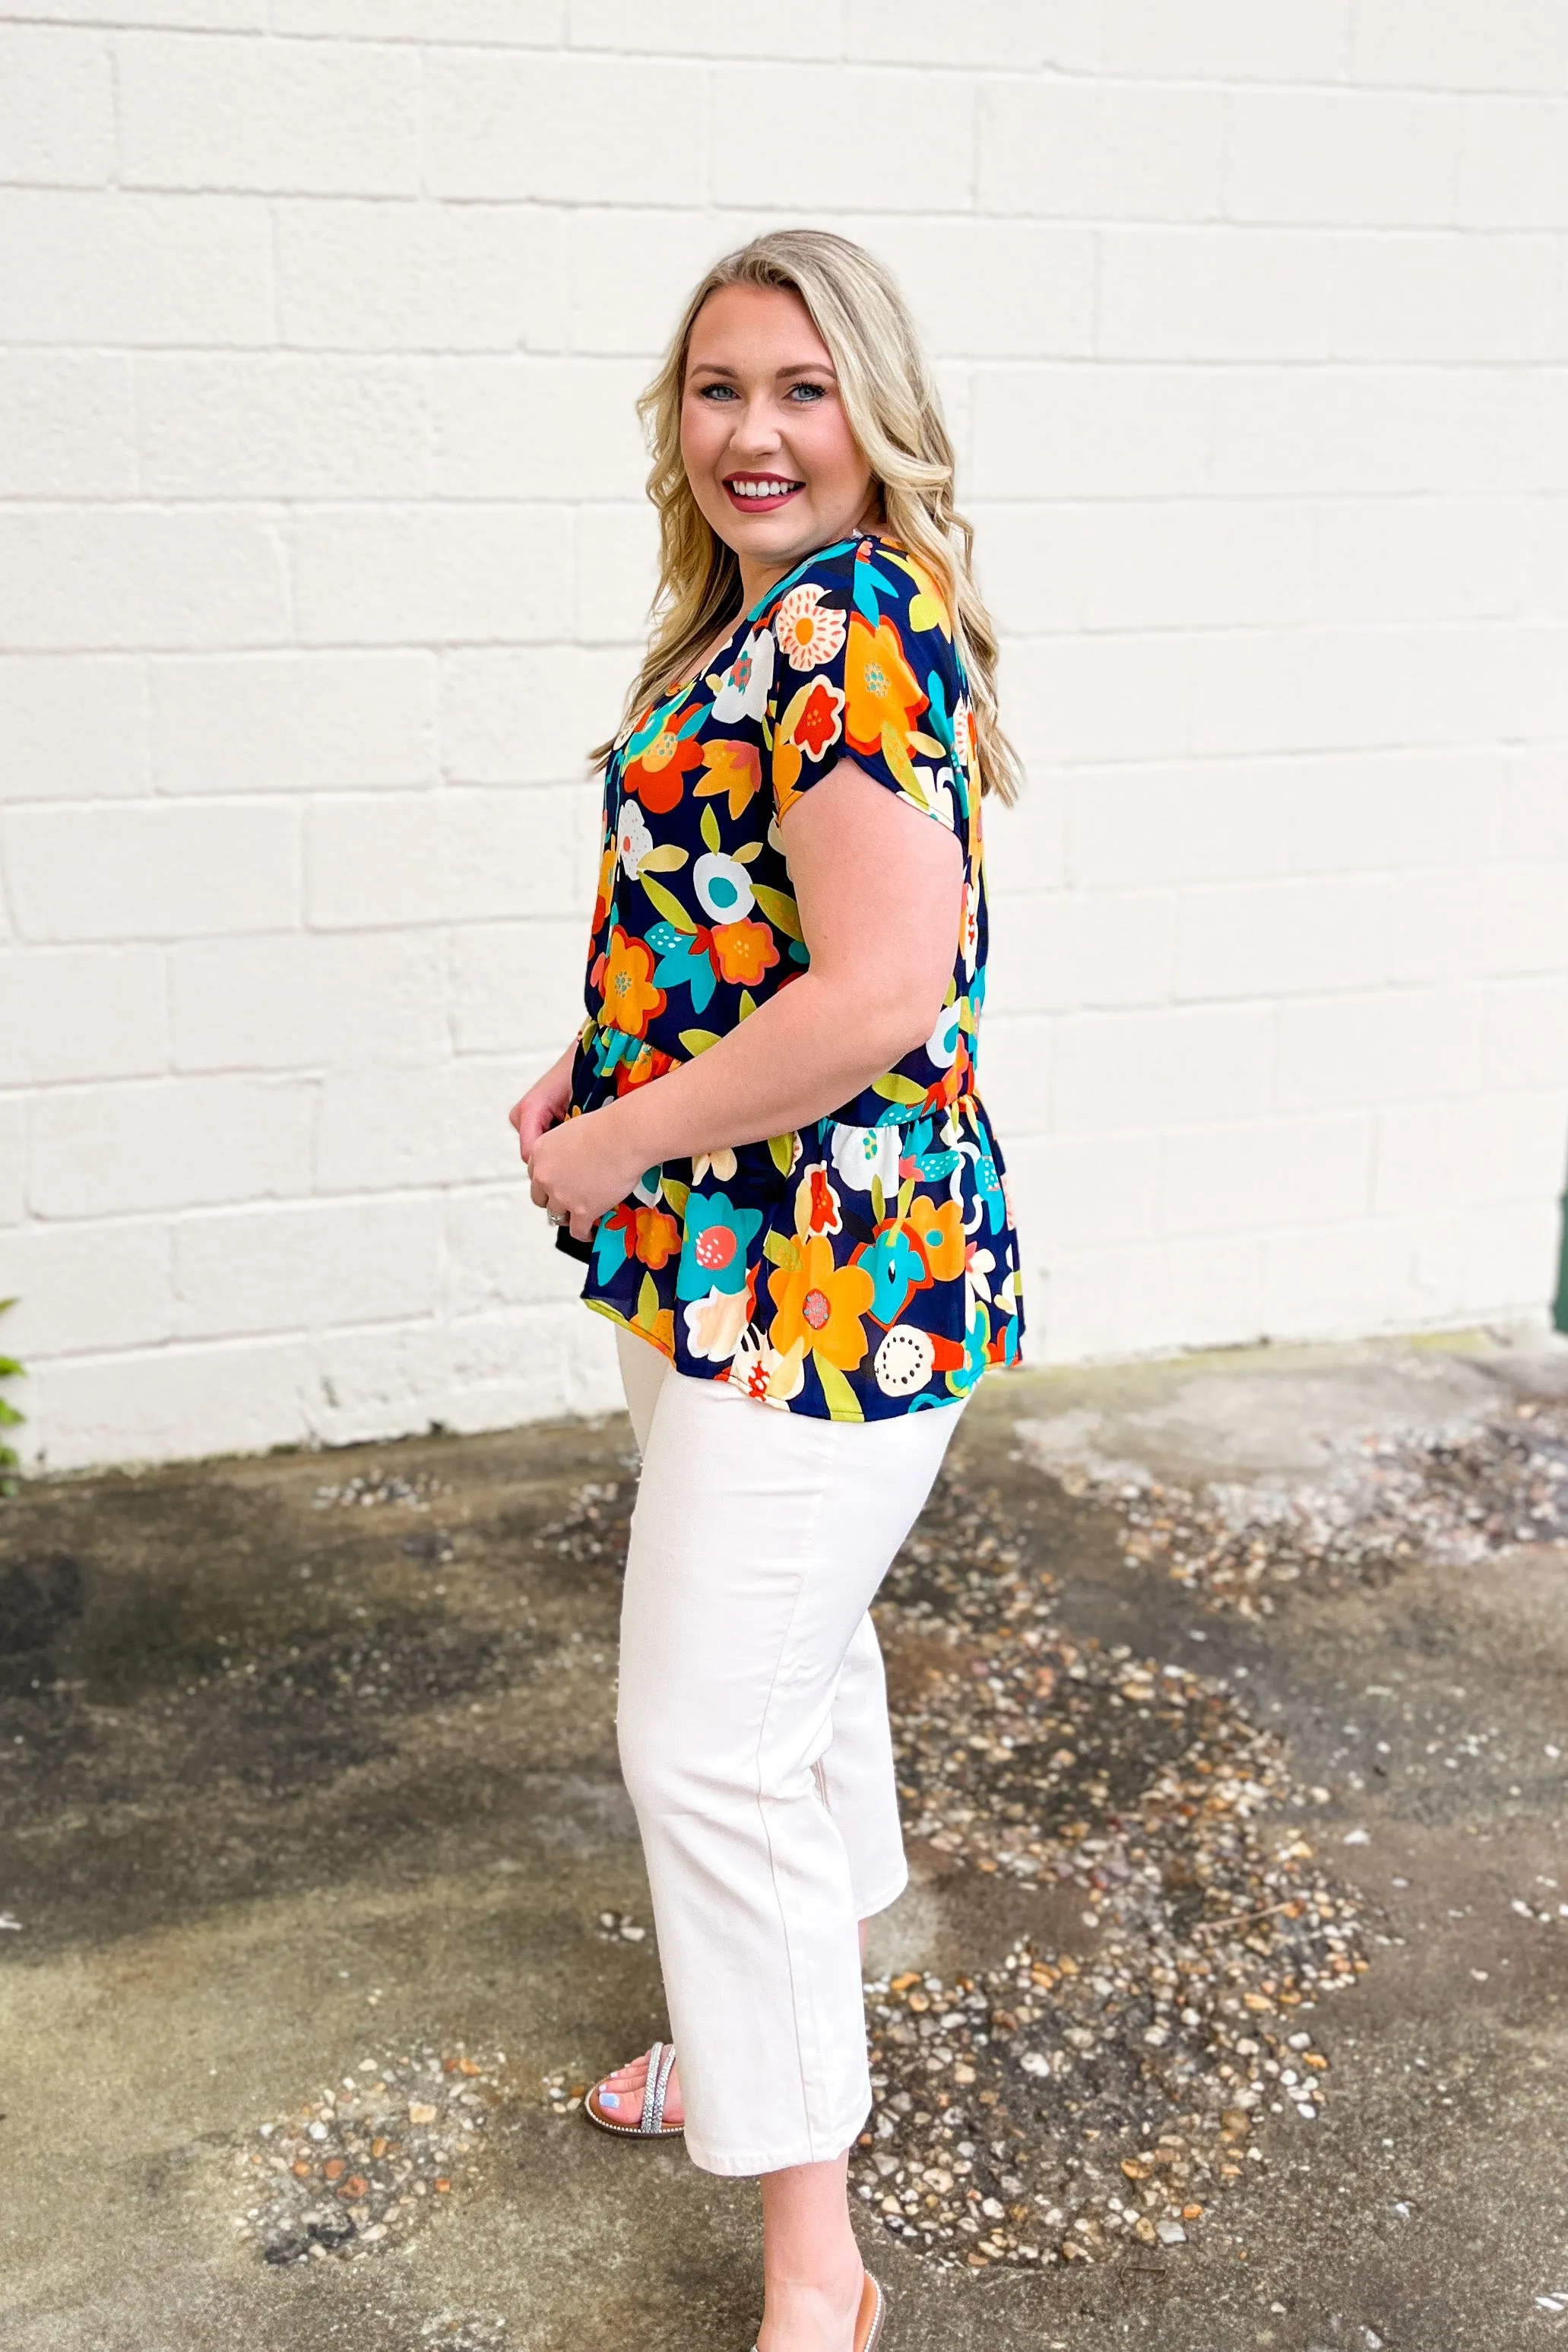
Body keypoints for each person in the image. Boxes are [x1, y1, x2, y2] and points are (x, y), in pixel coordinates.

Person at [509, 229, 1024, 2352]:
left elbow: (885, 986)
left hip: (823, 1275)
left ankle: (816, 2260)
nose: (753, 432)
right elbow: (736, 918)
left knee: (702, 1742)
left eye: (802, 390)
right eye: (719, 389)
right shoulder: (745, 623)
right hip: (726, 1255)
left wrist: (624, 1137)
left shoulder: (850, 637)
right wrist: (605, 1061)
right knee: (787, 1669)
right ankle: (779, 2014)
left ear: (872, 413)